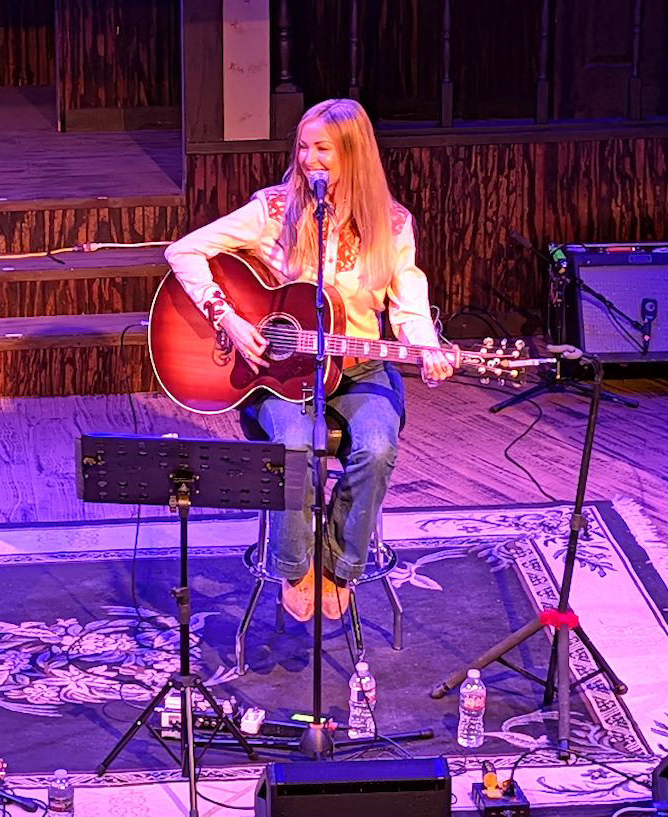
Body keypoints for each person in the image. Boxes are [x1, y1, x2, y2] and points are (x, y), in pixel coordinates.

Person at [164, 98, 454, 623]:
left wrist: (428, 347)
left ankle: (340, 565)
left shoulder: (393, 224)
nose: (309, 160)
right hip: (282, 373)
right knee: (294, 447)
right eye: (302, 147)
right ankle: (294, 566)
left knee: (377, 447)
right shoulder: (273, 210)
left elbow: (409, 309)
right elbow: (183, 251)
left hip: (359, 369)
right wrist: (229, 319)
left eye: (323, 149)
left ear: (354, 154)